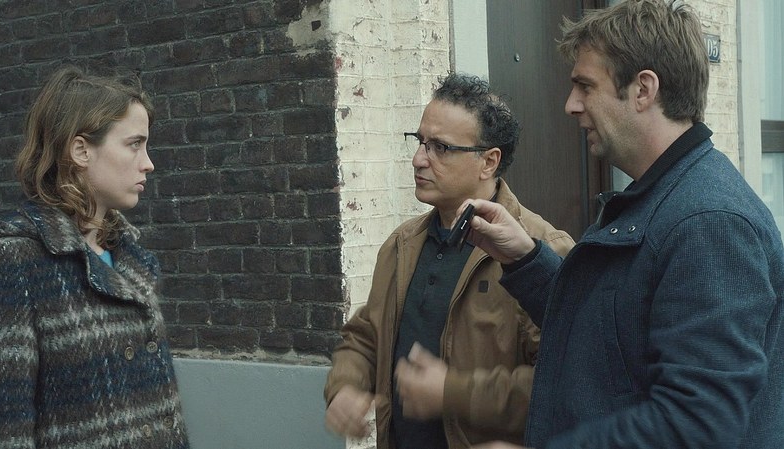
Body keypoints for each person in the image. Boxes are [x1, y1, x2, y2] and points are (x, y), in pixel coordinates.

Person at [461, 1, 784, 448]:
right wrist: (525, 258)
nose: (571, 105)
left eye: (585, 86)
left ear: (643, 89)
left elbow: (696, 424)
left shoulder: (709, 223)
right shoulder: (661, 197)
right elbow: (610, 333)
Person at [323, 72, 575, 448]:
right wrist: (345, 386)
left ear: (488, 162)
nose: (418, 160)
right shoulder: (401, 245)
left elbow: (564, 383)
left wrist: (452, 392)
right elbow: (365, 337)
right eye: (420, 142)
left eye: (440, 148)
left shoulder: (542, 252)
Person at [0, 66, 189, 448]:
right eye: (134, 144)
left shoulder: (130, 258)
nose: (148, 162)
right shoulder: (12, 262)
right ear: (81, 150)